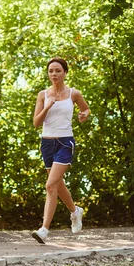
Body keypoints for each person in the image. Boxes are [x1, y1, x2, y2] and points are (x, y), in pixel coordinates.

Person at [32, 57, 90, 244]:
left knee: (50, 186)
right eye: (51, 71)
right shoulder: (43, 95)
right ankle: (75, 211)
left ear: (65, 72)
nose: (54, 74)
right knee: (56, 184)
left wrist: (83, 116)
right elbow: (36, 123)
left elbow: (86, 109)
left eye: (58, 70)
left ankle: (44, 229)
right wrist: (47, 106)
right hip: (47, 143)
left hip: (65, 142)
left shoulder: (74, 93)